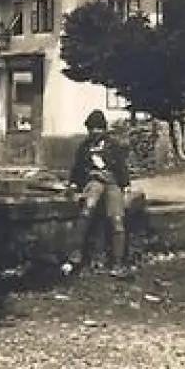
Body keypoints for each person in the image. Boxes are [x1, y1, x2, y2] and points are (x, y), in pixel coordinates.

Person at [62, 109, 131, 277]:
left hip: (112, 182)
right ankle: (75, 255)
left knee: (117, 219)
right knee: (88, 209)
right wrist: (73, 184)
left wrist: (126, 186)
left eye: (98, 128)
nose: (95, 132)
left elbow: (122, 169)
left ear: (104, 129)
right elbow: (78, 168)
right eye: (92, 129)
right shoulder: (85, 147)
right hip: (93, 182)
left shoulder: (113, 146)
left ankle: (118, 262)